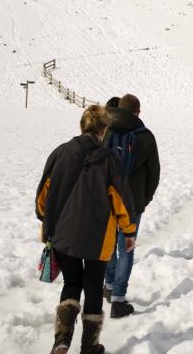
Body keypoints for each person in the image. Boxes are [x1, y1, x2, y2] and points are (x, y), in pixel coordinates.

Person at [36, 105, 137, 354]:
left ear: (83, 126)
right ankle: (89, 346)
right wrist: (129, 231)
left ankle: (61, 341)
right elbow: (121, 201)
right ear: (103, 130)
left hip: (63, 235)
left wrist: (47, 221)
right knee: (93, 286)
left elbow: (42, 198)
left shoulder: (59, 153)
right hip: (98, 237)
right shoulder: (109, 160)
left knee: (71, 284)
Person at [103, 94, 159, 319]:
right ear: (138, 112)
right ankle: (118, 299)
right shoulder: (145, 136)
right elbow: (154, 172)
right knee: (126, 247)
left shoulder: (107, 131)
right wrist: (144, 200)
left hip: (107, 199)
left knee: (108, 244)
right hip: (132, 203)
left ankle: (108, 284)